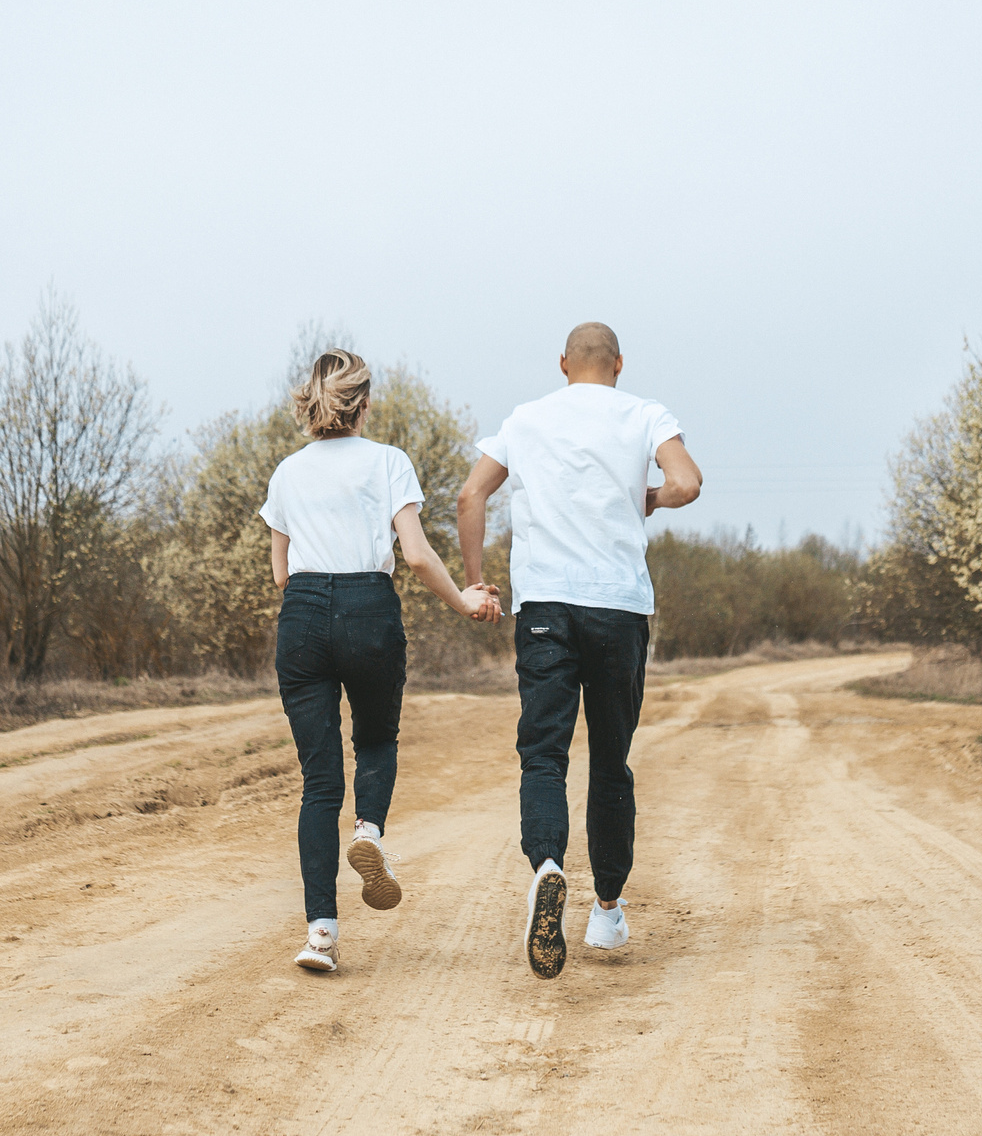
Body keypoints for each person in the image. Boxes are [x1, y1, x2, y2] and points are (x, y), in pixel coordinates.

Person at [456, 322, 701, 978]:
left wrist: (477, 577)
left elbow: (470, 493)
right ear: (619, 363)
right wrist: (650, 495)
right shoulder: (644, 413)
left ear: (563, 363)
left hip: (545, 606)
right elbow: (688, 481)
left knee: (544, 754)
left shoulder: (527, 418)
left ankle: (547, 865)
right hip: (619, 606)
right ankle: (609, 910)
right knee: (611, 760)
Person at [265, 350, 500, 974]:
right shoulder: (390, 462)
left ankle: (320, 935)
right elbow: (418, 556)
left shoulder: (287, 473)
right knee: (376, 739)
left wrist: (316, 605)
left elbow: (280, 573)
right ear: (364, 403)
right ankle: (369, 831)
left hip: (305, 612)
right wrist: (463, 601)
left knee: (318, 782)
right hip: (370, 606)